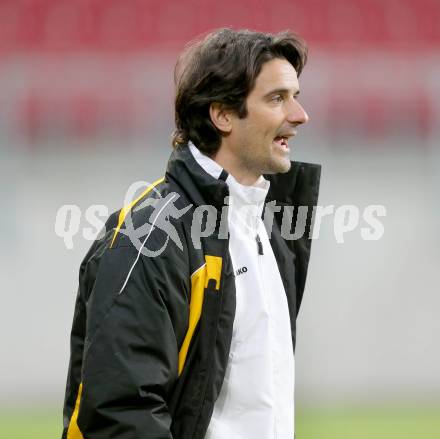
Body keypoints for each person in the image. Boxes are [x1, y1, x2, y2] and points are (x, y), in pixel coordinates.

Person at [62, 28, 321, 439]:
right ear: (222, 115)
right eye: (277, 98)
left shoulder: (270, 228)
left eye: (296, 96)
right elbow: (121, 414)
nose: (300, 114)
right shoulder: (150, 234)